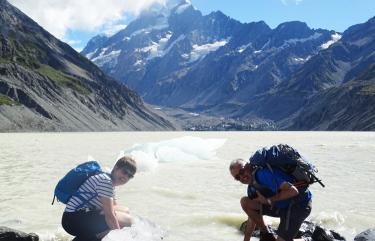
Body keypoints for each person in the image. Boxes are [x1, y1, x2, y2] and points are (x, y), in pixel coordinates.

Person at [229, 158, 312, 241]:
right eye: (237, 177)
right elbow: (252, 217)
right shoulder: (251, 188)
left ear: (248, 166)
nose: (241, 177)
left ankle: (307, 239)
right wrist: (246, 239)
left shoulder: (263, 175)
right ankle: (267, 234)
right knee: (245, 202)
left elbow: (293, 191)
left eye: (242, 171)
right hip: (281, 206)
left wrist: (268, 200)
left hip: (299, 205)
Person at [62, 156, 137, 241]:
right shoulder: (106, 182)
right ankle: (94, 237)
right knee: (128, 221)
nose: (126, 177)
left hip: (76, 217)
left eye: (130, 176)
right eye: (124, 172)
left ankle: (87, 238)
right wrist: (120, 237)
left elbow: (114, 208)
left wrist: (107, 212)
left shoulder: (108, 181)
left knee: (125, 211)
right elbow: (110, 216)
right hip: (73, 219)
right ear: (116, 168)